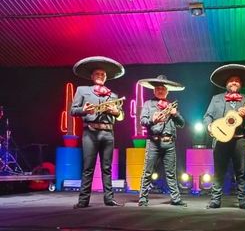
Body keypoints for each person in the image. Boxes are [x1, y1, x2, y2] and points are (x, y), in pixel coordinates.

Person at [70, 56, 125, 208]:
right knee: (88, 167)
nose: (100, 76)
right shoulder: (82, 90)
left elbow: (121, 116)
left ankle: (109, 199)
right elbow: (72, 111)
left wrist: (115, 111)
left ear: (106, 78)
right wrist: (83, 110)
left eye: (103, 75)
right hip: (90, 132)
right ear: (92, 76)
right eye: (97, 74)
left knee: (107, 168)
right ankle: (83, 201)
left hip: (108, 134)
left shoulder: (112, 95)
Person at [203, 64, 245, 209]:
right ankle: (215, 200)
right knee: (219, 171)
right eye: (231, 80)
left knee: (241, 173)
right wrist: (209, 126)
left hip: (240, 139)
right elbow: (207, 116)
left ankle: (243, 202)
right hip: (220, 139)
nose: (234, 82)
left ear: (241, 84)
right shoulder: (216, 99)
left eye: (237, 80)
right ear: (226, 83)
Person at [137, 75, 187, 207]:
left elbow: (182, 124)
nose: (160, 91)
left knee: (171, 173)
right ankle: (142, 199)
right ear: (154, 91)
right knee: (148, 171)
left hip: (169, 143)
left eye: (163, 89)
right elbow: (142, 121)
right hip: (153, 142)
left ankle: (176, 199)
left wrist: (175, 114)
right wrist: (153, 120)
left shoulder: (171, 106)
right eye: (158, 88)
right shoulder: (148, 104)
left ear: (167, 91)